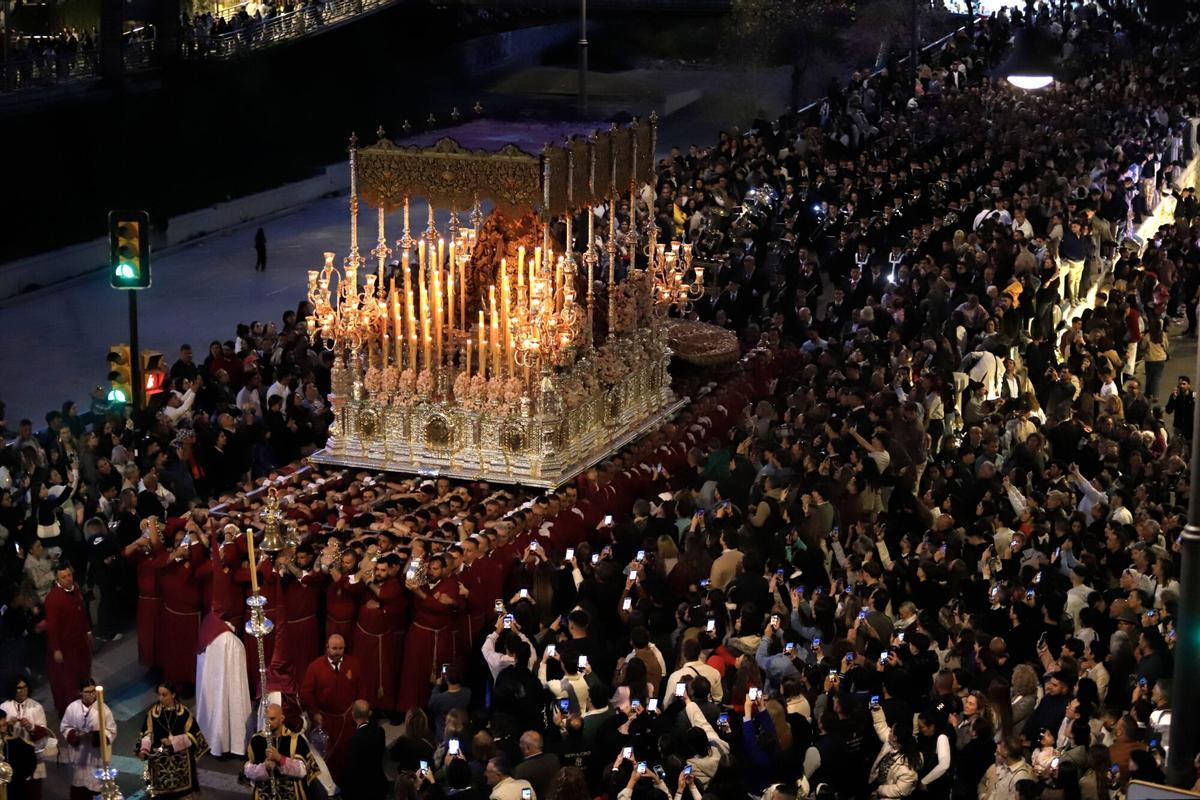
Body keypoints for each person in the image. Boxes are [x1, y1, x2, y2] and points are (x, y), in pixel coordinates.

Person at [299, 634, 362, 783]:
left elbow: (362, 689)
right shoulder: (315, 667)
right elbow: (306, 693)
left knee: (346, 753)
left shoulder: (354, 664)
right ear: (327, 648)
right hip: (324, 720)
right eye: (334, 648)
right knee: (325, 755)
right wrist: (314, 713)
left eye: (341, 648)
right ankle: (327, 785)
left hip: (347, 721)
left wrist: (359, 711)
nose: (337, 652)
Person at [137, 681, 208, 799]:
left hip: (180, 759)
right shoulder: (153, 714)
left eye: (164, 695)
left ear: (173, 695)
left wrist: (174, 742)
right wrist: (144, 749)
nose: (160, 698)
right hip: (159, 758)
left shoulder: (184, 713)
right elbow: (147, 734)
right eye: (159, 695)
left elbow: (193, 735)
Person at [43, 564, 92, 716]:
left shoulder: (76, 590)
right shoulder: (53, 598)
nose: (68, 579)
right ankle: (70, 713)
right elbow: (52, 626)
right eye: (63, 577)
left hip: (80, 644)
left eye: (69, 575)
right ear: (57, 579)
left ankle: (86, 705)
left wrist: (88, 631)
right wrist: (56, 649)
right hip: (65, 648)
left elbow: (83, 613)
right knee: (68, 682)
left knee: (83, 674)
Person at [244, 703, 316, 800]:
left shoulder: (296, 740)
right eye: (266, 719)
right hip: (265, 793)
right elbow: (247, 770)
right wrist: (264, 768)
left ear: (282, 718)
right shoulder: (256, 740)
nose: (268, 723)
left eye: (272, 719)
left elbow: (303, 771)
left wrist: (280, 759)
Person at [59, 679, 116, 800]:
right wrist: (76, 734)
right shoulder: (72, 708)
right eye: (88, 692)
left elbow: (112, 731)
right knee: (79, 790)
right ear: (80, 692)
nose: (92, 694)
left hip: (96, 756)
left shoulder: (104, 709)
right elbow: (65, 727)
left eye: (93, 691)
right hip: (79, 756)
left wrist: (95, 736)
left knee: (97, 790)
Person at [339, 700, 388, 800]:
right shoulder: (380, 731)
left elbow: (352, 769)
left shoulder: (354, 740)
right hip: (378, 783)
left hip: (362, 790)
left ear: (353, 715)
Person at [0, 710, 38, 800]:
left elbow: (29, 766)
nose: (2, 730)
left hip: (13, 790)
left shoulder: (19, 744)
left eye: (4, 725)